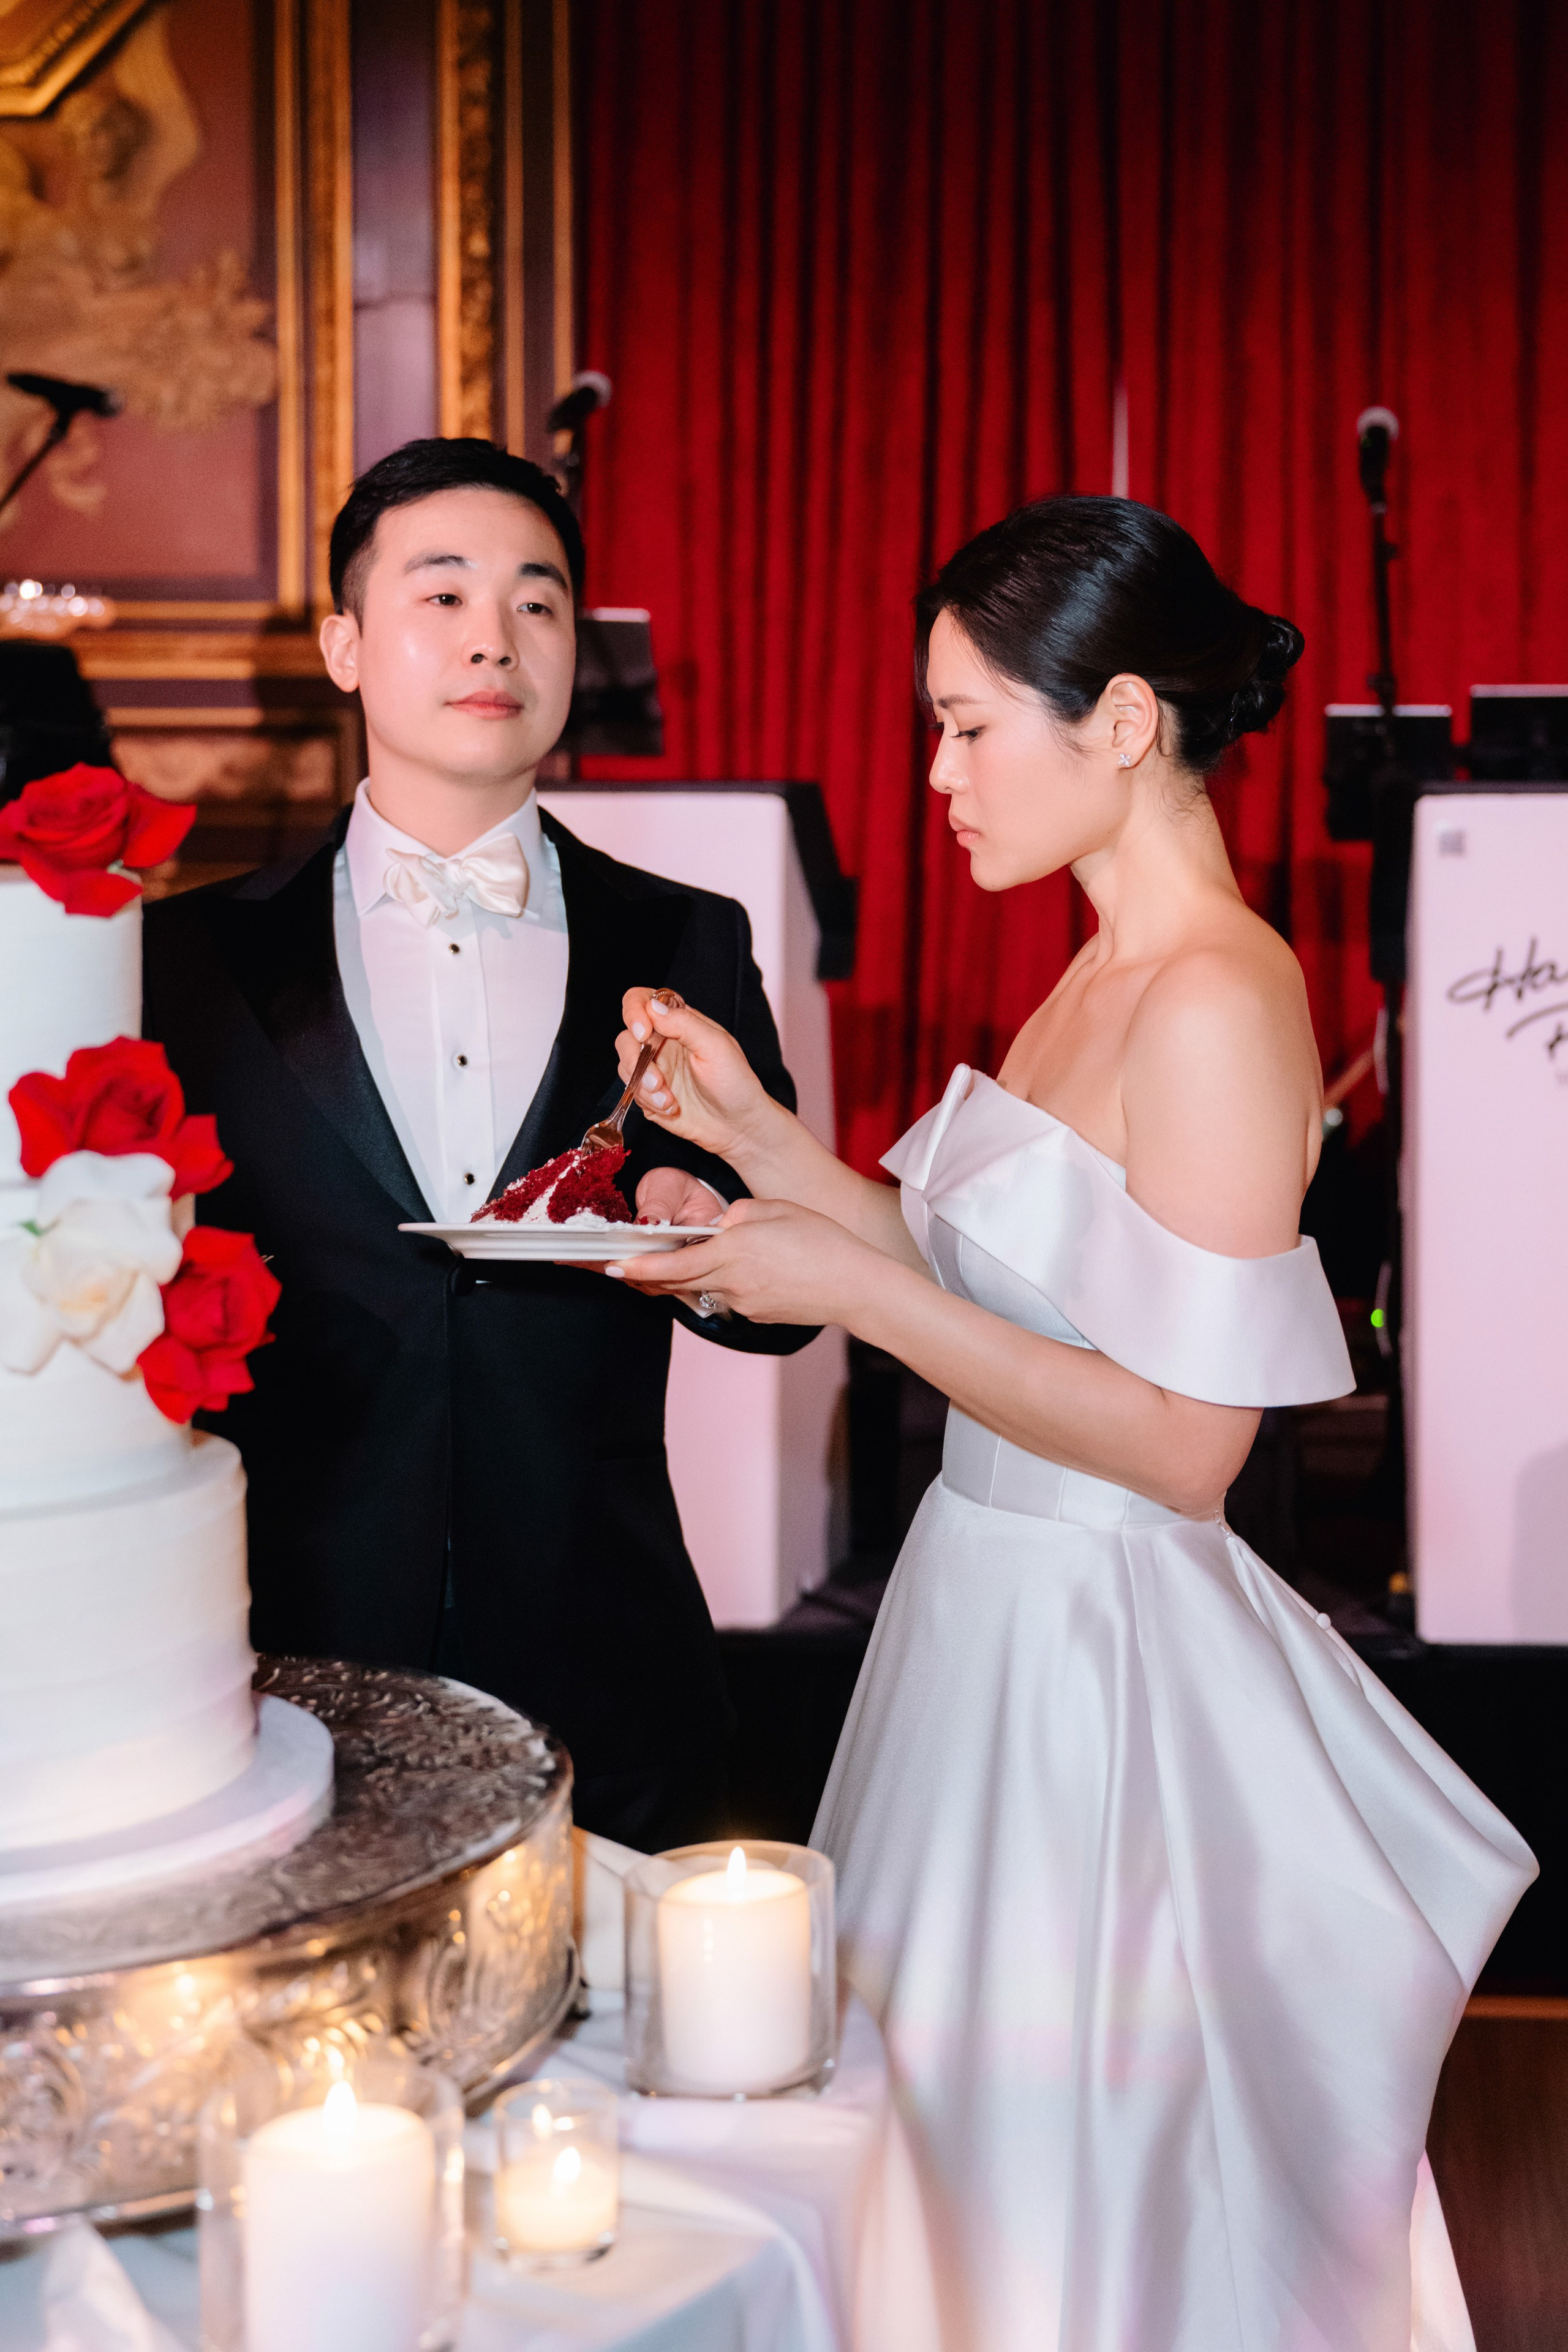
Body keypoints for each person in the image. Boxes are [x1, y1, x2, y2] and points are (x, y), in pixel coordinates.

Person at [601, 497, 1536, 2350]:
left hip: (1098, 1666)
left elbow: (1191, 1444)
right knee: (932, 2139)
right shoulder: (1096, 966)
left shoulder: (1212, 994)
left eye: (965, 724)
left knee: (1064, 2177)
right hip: (987, 1602)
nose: (936, 774)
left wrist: (850, 1294)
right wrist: (752, 1147)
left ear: (1117, 721)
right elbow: (992, 1275)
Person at [143, 436, 816, 1852]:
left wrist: (701, 1232)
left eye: (538, 600)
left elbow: (786, 1304)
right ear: (343, 644)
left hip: (609, 1662)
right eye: (441, 597)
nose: (493, 638)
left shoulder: (686, 935)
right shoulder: (184, 958)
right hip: (275, 1676)